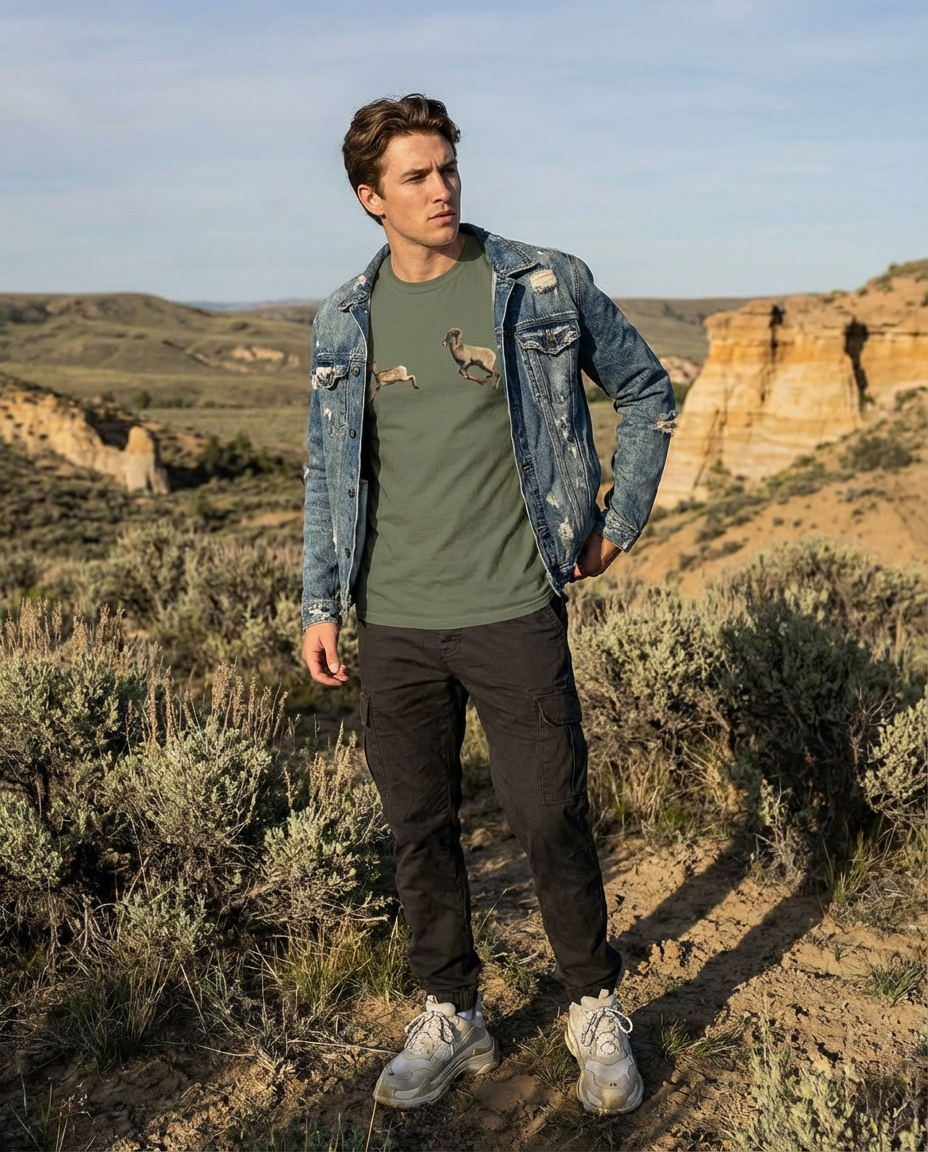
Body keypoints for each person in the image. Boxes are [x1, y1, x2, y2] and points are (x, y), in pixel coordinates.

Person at [301, 94, 675, 1115]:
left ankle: (592, 1003)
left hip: (513, 604)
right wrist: (319, 603)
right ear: (370, 198)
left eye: (448, 168)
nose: (442, 189)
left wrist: (618, 521)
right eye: (415, 177)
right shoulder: (344, 318)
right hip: (394, 619)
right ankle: (452, 1012)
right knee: (418, 827)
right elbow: (328, 469)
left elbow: (647, 392)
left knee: (548, 816)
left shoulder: (542, 284)